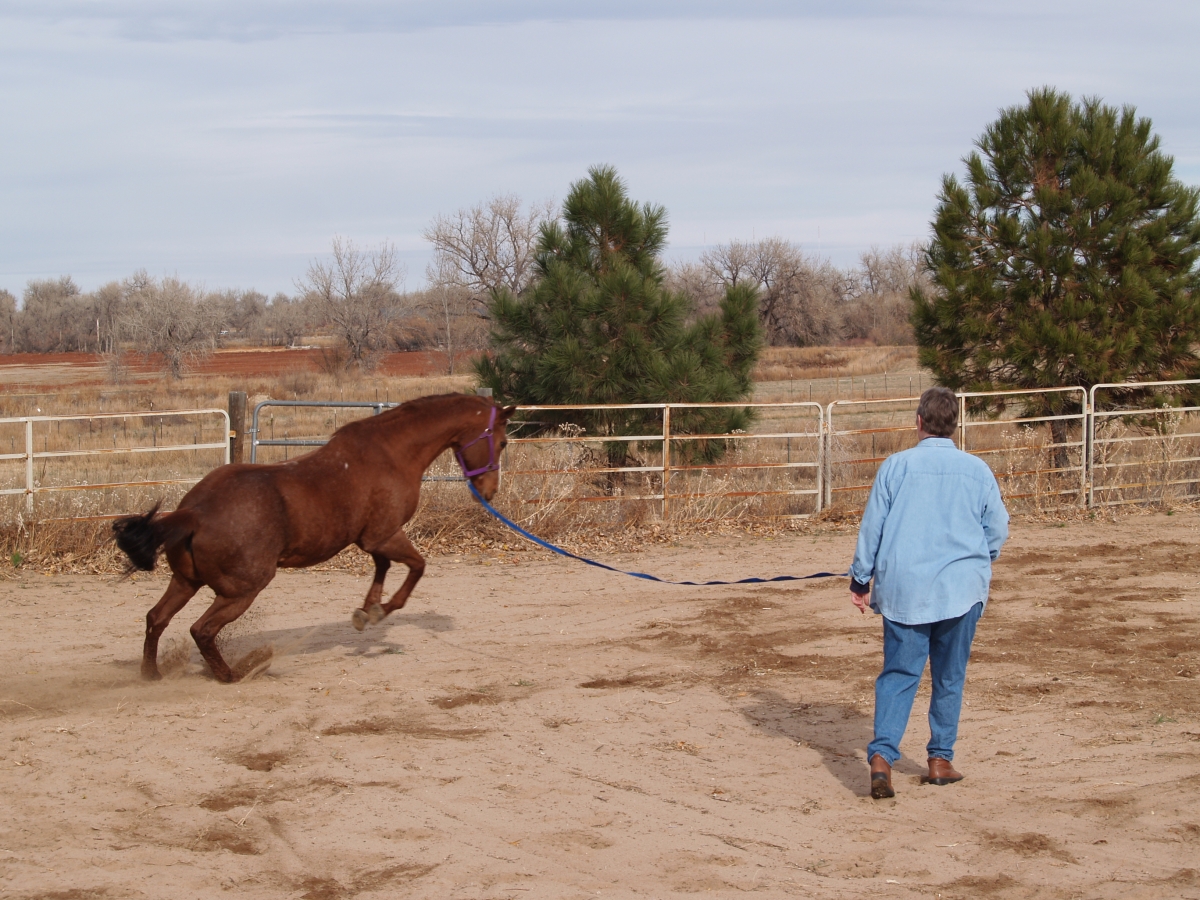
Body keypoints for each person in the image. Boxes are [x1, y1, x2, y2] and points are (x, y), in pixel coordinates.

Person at [849, 386, 1008, 800]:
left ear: (919, 421)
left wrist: (860, 579)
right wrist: (980, 559)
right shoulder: (977, 470)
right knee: (949, 675)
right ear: (954, 424)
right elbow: (997, 529)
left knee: (900, 674)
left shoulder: (896, 467)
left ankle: (882, 757)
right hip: (961, 588)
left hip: (906, 590)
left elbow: (872, 527)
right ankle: (940, 759)